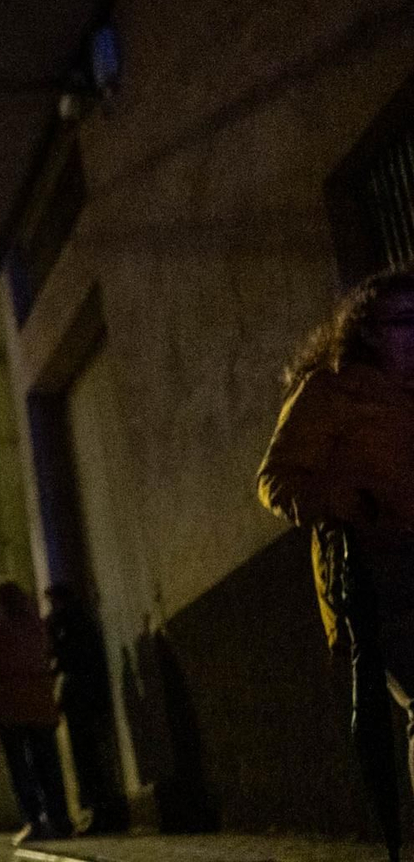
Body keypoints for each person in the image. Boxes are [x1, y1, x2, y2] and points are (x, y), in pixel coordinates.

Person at [257, 268, 414, 815]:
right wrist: (346, 498)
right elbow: (275, 479)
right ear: (370, 330)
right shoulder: (329, 389)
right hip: (377, 571)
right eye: (404, 322)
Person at [0, 579, 72, 843]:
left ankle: (34, 821)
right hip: (40, 700)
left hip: (9, 703)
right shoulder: (36, 623)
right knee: (47, 762)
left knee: (20, 767)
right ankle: (59, 818)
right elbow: (45, 653)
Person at [43, 582, 126, 833]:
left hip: (79, 695)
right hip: (91, 694)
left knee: (86, 757)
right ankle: (105, 811)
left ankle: (100, 813)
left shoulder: (64, 623)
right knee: (96, 755)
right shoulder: (83, 619)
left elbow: (62, 656)